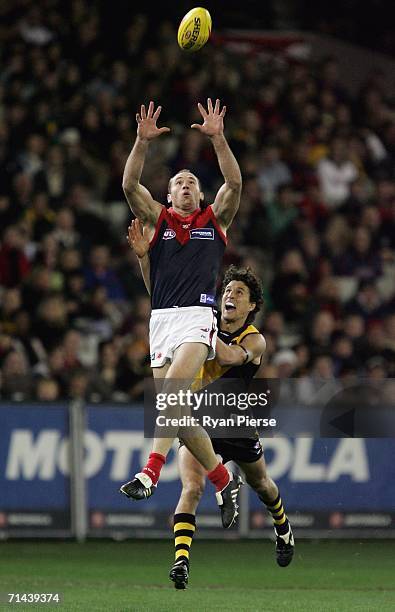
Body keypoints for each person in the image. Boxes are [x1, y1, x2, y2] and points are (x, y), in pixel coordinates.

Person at [127, 221, 295, 590]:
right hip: (200, 422)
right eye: (227, 290)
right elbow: (164, 298)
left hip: (236, 423)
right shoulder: (201, 323)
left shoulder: (255, 339)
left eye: (239, 293)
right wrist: (146, 261)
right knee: (191, 487)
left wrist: (202, 327)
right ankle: (181, 562)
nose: (230, 296)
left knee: (262, 484)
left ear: (251, 306)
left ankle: (283, 529)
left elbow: (232, 357)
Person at [120, 99, 243, 528]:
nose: (186, 185)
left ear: (200, 194)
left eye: (192, 181)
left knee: (171, 395)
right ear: (168, 195)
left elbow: (235, 183)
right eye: (179, 183)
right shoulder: (158, 222)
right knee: (178, 412)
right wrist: (140, 141)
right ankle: (224, 479)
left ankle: (149, 470)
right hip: (162, 321)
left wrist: (218, 137)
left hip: (198, 319)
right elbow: (130, 184)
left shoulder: (215, 219)